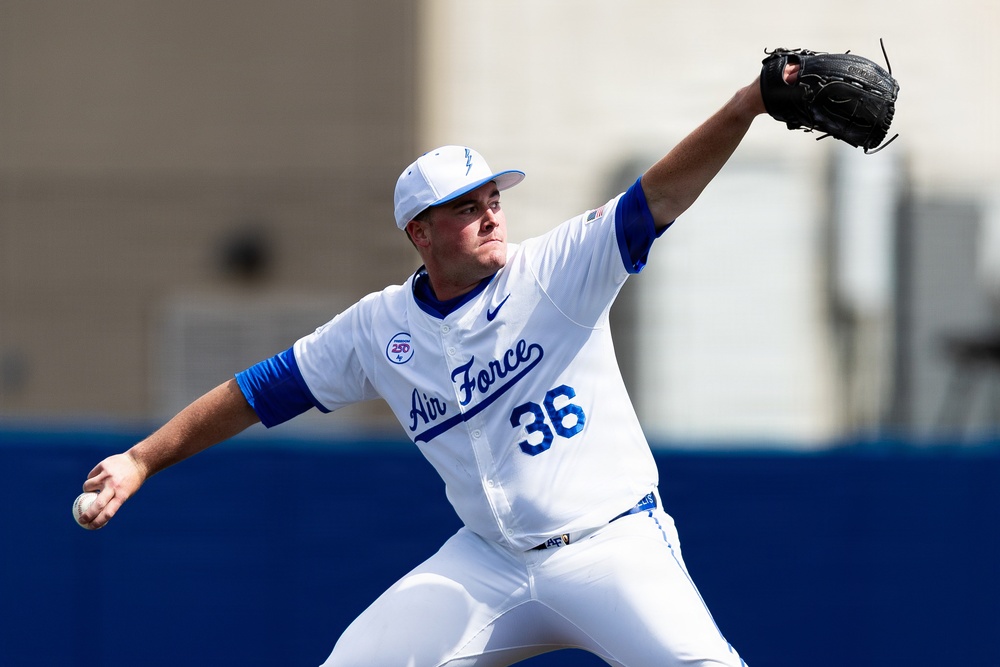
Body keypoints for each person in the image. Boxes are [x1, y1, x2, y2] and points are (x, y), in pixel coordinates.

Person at [79, 62, 794, 666]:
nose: (490, 214)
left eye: (492, 198)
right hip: (488, 561)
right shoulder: (378, 326)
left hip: (608, 542)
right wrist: (142, 459)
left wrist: (747, 104)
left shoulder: (555, 270)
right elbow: (256, 391)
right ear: (420, 233)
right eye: (465, 208)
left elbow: (661, 194)